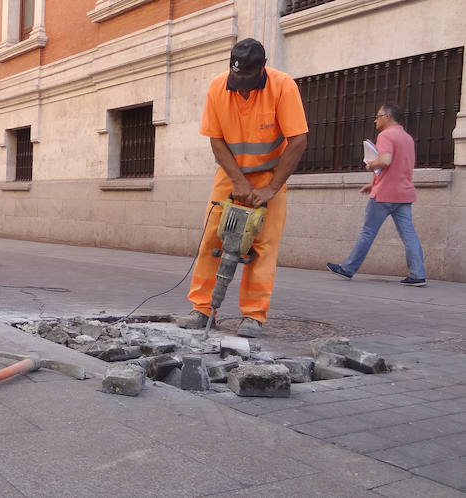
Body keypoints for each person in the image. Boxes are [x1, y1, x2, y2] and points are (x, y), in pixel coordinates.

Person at [176, 38, 308, 338]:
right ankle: (202, 308)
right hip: (231, 174)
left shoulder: (283, 86)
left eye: (248, 81)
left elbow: (298, 139)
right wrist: (237, 181)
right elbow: (216, 140)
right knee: (213, 239)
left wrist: (272, 188)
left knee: (262, 246)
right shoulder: (218, 87)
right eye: (238, 81)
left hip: (270, 177)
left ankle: (253, 315)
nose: (242, 88)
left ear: (263, 67)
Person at [326, 104, 426, 287]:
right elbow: (398, 167)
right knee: (409, 234)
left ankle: (348, 269)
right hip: (404, 193)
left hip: (385, 194)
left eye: (378, 116)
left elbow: (386, 161)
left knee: (367, 232)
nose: (375, 120)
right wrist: (372, 184)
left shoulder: (386, 135)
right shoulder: (407, 138)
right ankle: (418, 274)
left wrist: (371, 165)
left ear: (387, 117)